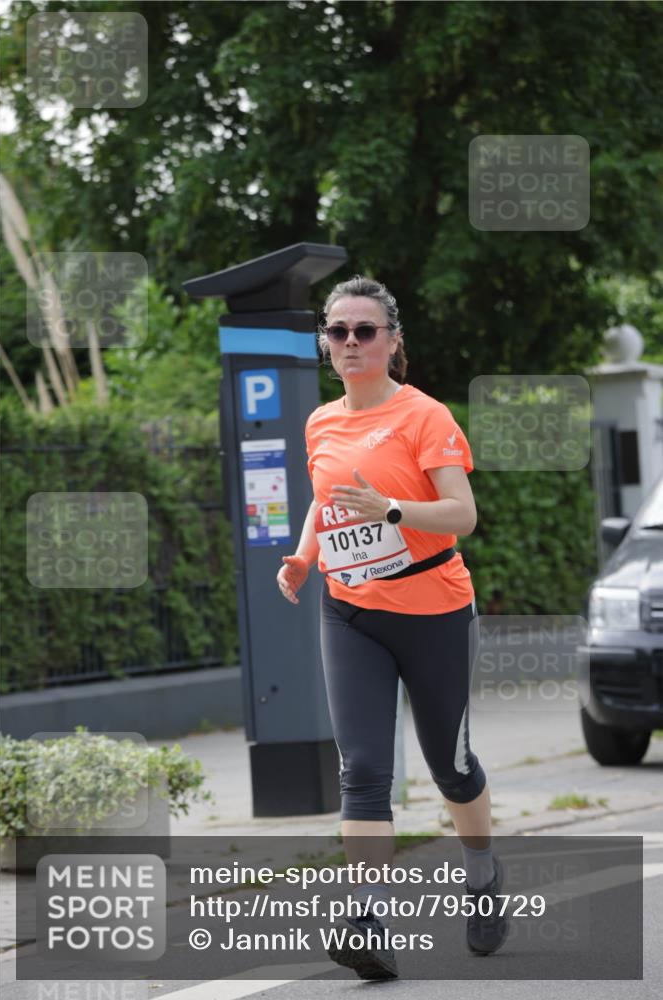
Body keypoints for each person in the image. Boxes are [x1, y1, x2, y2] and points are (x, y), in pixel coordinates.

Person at [276, 275, 508, 980]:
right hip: (350, 612)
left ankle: (482, 875)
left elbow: (462, 514)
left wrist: (393, 511)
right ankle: (366, 920)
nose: (350, 342)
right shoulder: (320, 422)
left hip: (435, 612)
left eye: (365, 330)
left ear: (392, 339)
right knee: (364, 769)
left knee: (451, 767)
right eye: (337, 330)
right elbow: (326, 501)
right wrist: (304, 556)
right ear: (324, 342)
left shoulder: (424, 416)